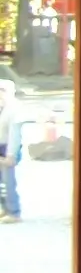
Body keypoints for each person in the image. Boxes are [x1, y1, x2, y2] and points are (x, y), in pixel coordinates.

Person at [0, 79, 22, 224]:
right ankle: (5, 208)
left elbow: (15, 134)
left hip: (8, 147)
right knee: (1, 183)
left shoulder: (14, 108)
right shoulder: (2, 106)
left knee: (8, 181)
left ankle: (14, 212)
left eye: (2, 90)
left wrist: (11, 154)